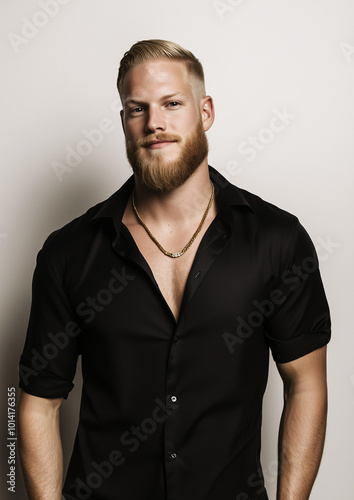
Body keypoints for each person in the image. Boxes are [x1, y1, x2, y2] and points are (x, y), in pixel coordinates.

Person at [18, 39, 331, 500]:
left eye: (171, 103)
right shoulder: (68, 253)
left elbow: (306, 384)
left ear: (205, 112)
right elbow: (28, 404)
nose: (154, 123)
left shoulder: (277, 240)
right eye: (136, 109)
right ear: (124, 122)